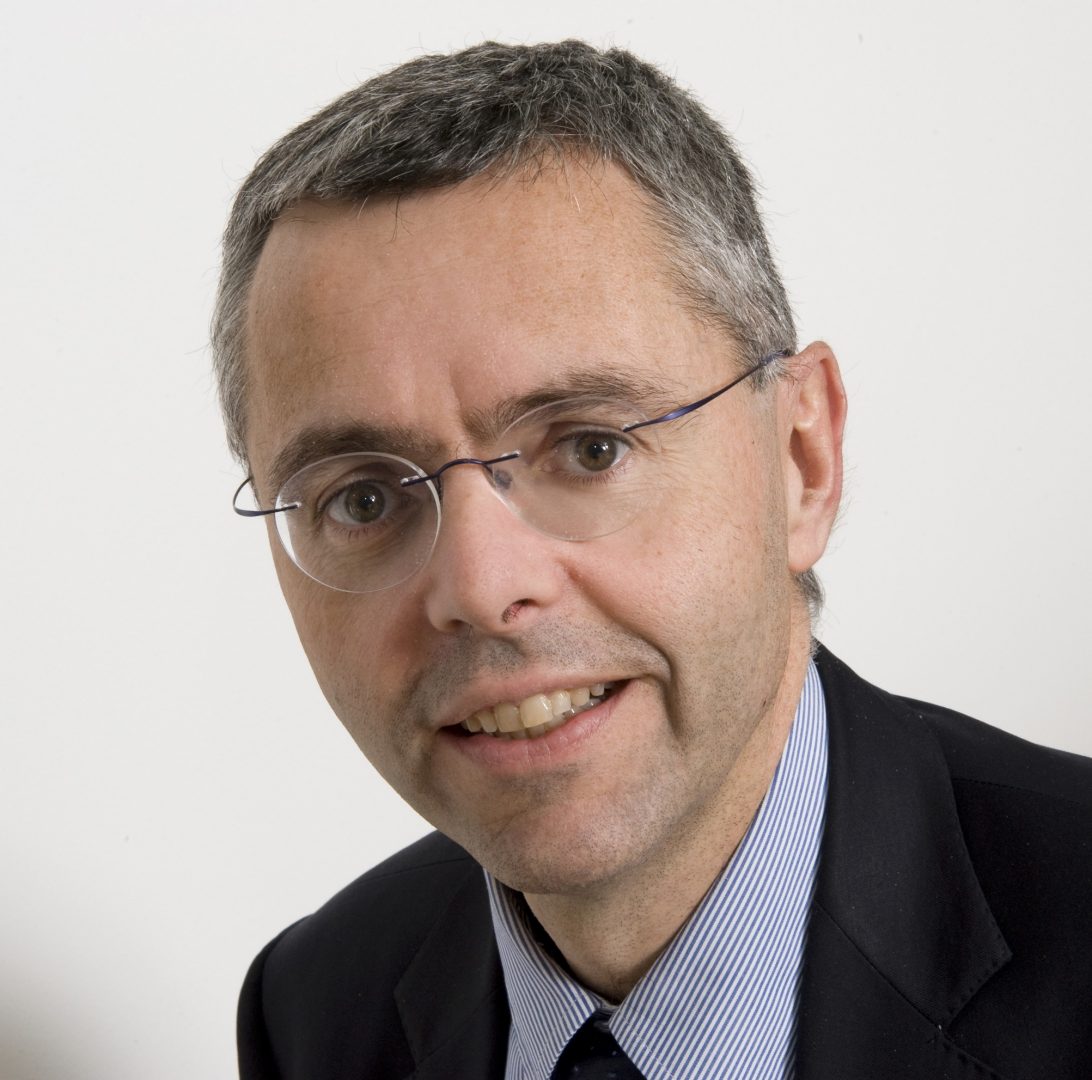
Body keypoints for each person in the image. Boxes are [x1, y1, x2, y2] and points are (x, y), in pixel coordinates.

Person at [214, 40, 1092, 1080]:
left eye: (590, 448)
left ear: (801, 459)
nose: (483, 589)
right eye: (363, 498)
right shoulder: (317, 1013)